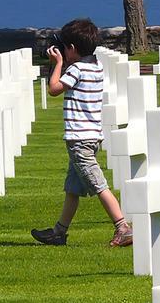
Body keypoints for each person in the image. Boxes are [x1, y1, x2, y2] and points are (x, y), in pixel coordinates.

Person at [31, 18, 132, 248]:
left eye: (64, 47)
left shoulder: (76, 69)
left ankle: (122, 226)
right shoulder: (95, 67)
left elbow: (54, 89)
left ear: (72, 49)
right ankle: (59, 231)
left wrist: (57, 63)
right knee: (73, 189)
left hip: (79, 140)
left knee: (98, 185)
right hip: (91, 136)